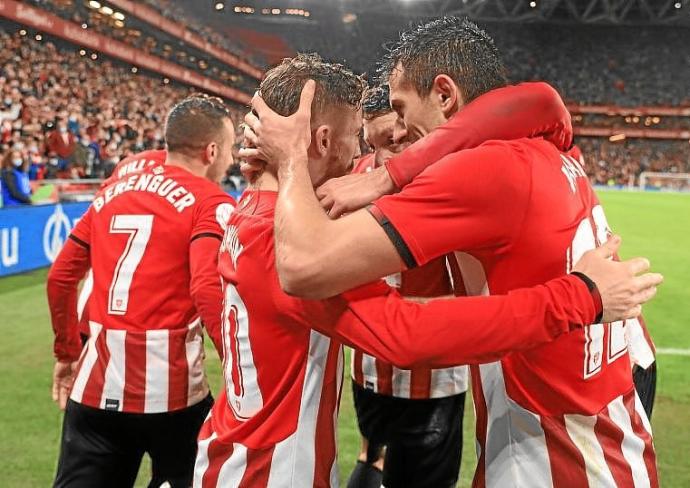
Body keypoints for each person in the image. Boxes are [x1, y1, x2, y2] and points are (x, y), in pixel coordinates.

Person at [196, 53, 660, 488]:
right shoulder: (284, 244)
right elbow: (405, 334)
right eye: (359, 137)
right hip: (268, 471)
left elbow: (539, 102)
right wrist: (581, 295)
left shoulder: (251, 212)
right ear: (320, 142)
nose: (368, 155)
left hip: (235, 448)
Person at [47, 94, 236, 488]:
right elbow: (205, 286)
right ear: (212, 150)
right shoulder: (210, 200)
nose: (232, 161)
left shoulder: (116, 185)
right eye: (230, 150)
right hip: (172, 399)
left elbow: (62, 276)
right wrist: (238, 371)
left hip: (94, 390)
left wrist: (67, 353)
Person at [347, 84, 468, 488]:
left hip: (402, 372)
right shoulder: (449, 178)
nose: (381, 158)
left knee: (374, 457)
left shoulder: (357, 180)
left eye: (394, 141)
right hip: (413, 375)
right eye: (371, 144)